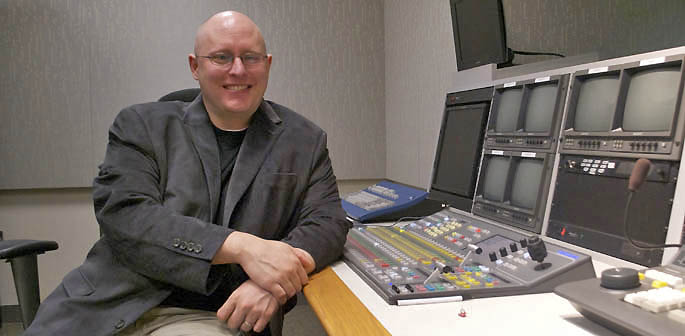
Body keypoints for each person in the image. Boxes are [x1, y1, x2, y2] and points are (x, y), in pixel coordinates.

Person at [25, 10, 350, 336]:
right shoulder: (141, 125)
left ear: (267, 64)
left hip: (211, 314)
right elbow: (126, 216)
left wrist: (272, 282)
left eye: (250, 58)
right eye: (222, 57)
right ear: (195, 66)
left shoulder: (304, 139)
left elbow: (328, 222)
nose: (238, 69)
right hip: (106, 303)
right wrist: (244, 247)